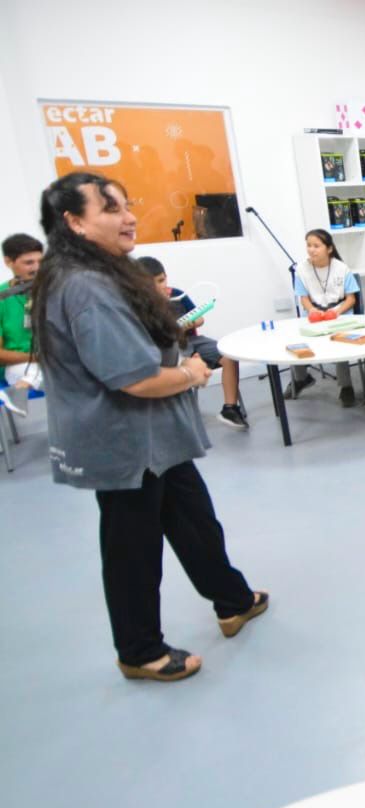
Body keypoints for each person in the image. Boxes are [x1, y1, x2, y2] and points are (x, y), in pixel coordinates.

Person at [32, 172, 266, 683]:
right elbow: (134, 378)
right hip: (126, 444)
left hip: (156, 440)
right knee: (133, 549)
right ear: (74, 223)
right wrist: (190, 373)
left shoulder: (102, 273)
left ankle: (233, 599)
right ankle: (138, 651)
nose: (129, 217)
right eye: (111, 209)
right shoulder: (85, 286)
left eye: (127, 205)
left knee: (195, 521)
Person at [136, 257, 247, 430]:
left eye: (162, 280)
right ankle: (183, 417)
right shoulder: (140, 305)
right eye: (153, 283)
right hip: (171, 346)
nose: (161, 286)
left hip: (192, 340)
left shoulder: (177, 294)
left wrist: (189, 323)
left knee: (228, 355)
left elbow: (200, 319)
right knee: (180, 365)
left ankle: (230, 408)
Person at [288, 228, 361, 406]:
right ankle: (301, 379)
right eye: (309, 245)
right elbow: (303, 298)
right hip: (314, 313)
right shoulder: (301, 270)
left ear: (329, 248)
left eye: (316, 246)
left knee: (339, 343)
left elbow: (351, 299)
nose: (311, 250)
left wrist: (336, 312)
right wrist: (312, 310)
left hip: (339, 313)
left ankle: (346, 386)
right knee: (297, 340)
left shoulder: (342, 268)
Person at [0, 233, 43, 416]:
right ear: (8, 262)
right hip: (20, 365)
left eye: (40, 261)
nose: (37, 268)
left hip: (53, 360)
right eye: (29, 263)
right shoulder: (2, 298)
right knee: (46, 372)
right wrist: (36, 358)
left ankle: (20, 389)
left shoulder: (53, 290)